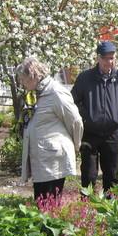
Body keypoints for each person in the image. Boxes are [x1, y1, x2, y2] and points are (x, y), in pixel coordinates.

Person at [71, 41, 118, 196]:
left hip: (112, 133)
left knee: (112, 174)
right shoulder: (85, 78)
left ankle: (110, 205)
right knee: (89, 174)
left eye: (112, 58)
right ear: (98, 58)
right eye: (105, 58)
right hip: (90, 134)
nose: (109, 62)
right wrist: (87, 117)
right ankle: (86, 206)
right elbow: (73, 101)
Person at [15, 57, 83, 202]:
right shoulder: (35, 93)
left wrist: (75, 145)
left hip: (53, 158)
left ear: (33, 76)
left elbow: (75, 121)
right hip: (41, 157)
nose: (21, 83)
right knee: (41, 201)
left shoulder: (56, 92)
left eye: (23, 79)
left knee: (49, 203)